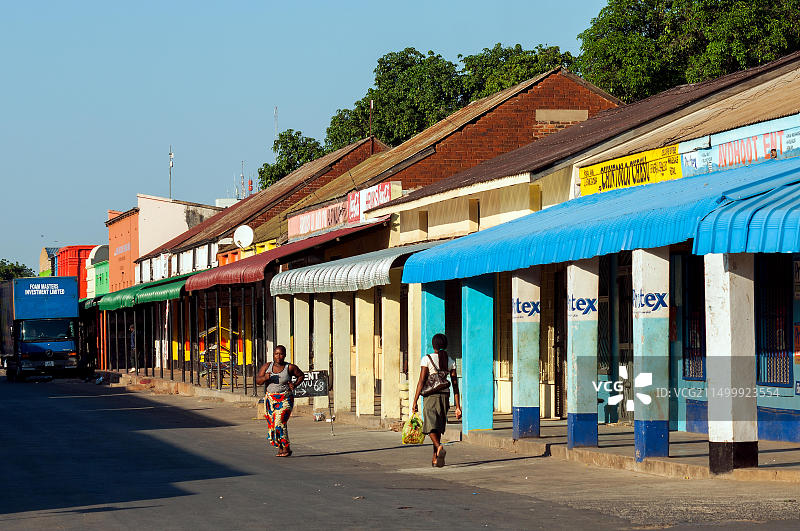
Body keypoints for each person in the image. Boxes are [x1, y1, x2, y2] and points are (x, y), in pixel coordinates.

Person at [412, 333, 462, 467]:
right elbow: (455, 385)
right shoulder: (450, 361)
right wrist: (458, 406)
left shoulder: (427, 359)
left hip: (431, 396)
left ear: (433, 345)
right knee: (438, 427)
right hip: (445, 397)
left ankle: (439, 447)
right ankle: (435, 458)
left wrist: (415, 400)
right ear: (445, 345)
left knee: (429, 426)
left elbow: (421, 381)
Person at [256, 345, 304, 457]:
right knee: (274, 425)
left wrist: (295, 384)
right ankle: (282, 448)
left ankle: (285, 447)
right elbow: (258, 381)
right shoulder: (267, 366)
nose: (278, 356)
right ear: (273, 355)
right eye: (276, 354)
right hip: (270, 400)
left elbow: (301, 375)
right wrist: (265, 378)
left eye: (281, 354)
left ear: (285, 355)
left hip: (285, 398)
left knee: (279, 422)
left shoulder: (290, 367)